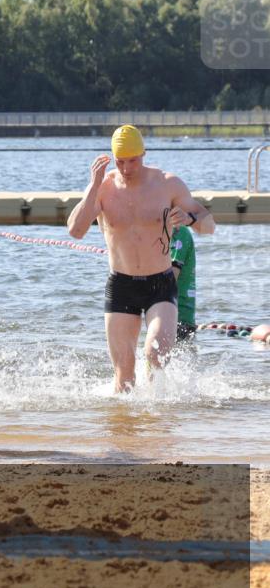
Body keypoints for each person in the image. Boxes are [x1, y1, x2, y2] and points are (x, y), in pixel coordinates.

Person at [67, 125, 214, 392]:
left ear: (143, 154)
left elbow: (209, 224)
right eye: (120, 162)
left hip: (160, 283)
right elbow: (75, 231)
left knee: (155, 353)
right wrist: (93, 186)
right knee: (123, 374)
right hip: (121, 285)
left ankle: (157, 425)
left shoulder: (168, 184)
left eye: (132, 161)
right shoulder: (104, 188)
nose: (126, 168)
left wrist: (191, 219)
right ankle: (126, 432)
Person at [170, 225, 196, 342]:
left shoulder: (179, 232)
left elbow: (170, 280)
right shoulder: (159, 234)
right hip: (165, 315)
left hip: (181, 317)